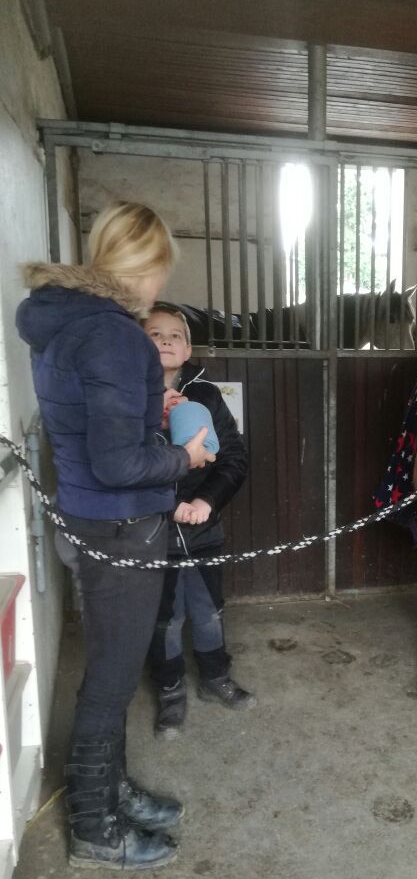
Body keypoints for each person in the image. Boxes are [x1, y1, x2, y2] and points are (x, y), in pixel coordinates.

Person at [16, 201, 215, 871]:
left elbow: (97, 429)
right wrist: (183, 460)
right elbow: (119, 462)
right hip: (122, 522)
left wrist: (143, 413)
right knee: (109, 677)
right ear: (144, 265)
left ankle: (108, 788)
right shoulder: (112, 335)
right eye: (159, 269)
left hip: (94, 514)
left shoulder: (70, 322)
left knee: (113, 667)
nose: (160, 284)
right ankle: (96, 826)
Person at [142, 303, 254, 739]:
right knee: (164, 618)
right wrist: (155, 415)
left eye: (175, 335)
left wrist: (207, 501)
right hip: (151, 533)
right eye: (154, 334)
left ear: (187, 348)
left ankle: (214, 677)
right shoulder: (128, 400)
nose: (166, 340)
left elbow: (234, 457)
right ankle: (169, 691)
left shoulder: (207, 396)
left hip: (203, 528)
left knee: (208, 611)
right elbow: (124, 464)